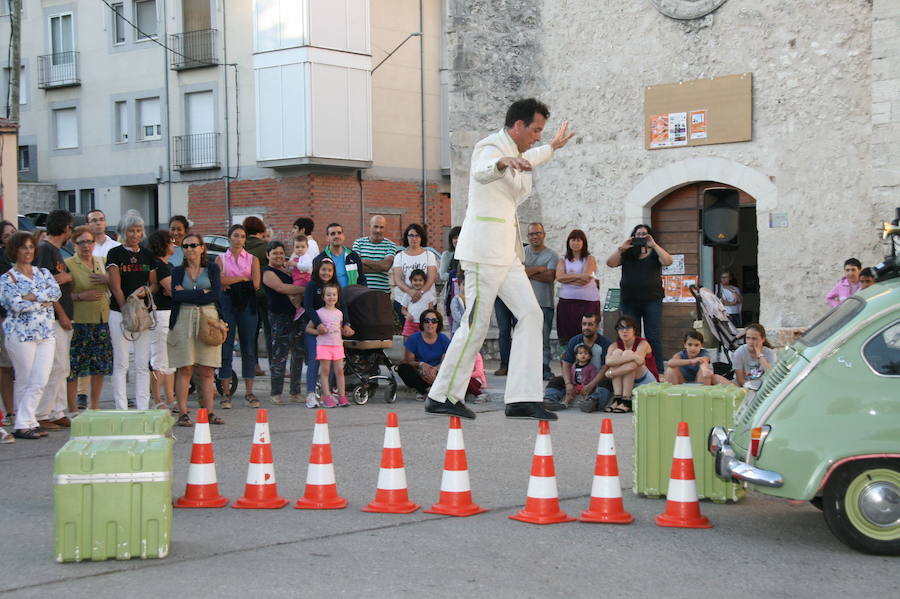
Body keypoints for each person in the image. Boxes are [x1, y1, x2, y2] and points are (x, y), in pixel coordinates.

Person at [425, 98, 573, 421]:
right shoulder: (490, 146)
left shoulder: (519, 153)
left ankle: (522, 398)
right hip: (481, 252)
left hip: (507, 255)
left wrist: (552, 147)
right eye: (535, 130)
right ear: (517, 126)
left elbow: (530, 158)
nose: (537, 136)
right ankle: (442, 394)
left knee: (532, 316)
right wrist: (503, 162)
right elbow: (480, 172)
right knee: (475, 325)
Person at [0, 232, 62, 439]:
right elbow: (15, 305)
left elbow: (55, 293)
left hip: (45, 332)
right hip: (20, 335)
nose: (28, 251)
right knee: (26, 379)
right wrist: (40, 299)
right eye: (23, 247)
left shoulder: (43, 273)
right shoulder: (7, 278)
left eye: (30, 247)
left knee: (41, 379)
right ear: (15, 250)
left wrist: (32, 296)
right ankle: (24, 423)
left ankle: (26, 420)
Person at [167, 234, 224, 427]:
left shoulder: (212, 268)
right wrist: (201, 293)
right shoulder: (177, 270)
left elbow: (216, 293)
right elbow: (176, 295)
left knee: (207, 369)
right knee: (185, 367)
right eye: (185, 246)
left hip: (208, 318)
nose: (189, 249)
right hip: (183, 317)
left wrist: (188, 294)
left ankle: (209, 412)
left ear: (201, 248)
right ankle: (183, 412)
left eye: (193, 245)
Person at [106, 211, 157, 410]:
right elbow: (115, 285)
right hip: (120, 312)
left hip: (142, 313)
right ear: (123, 232)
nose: (135, 234)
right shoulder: (115, 254)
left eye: (138, 230)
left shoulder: (147, 254)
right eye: (131, 230)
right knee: (121, 362)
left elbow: (153, 284)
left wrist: (146, 290)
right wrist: (125, 309)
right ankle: (121, 407)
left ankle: (143, 406)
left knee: (142, 362)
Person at [606, 223, 673, 374]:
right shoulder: (627, 253)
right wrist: (621, 248)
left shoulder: (656, 252)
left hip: (652, 300)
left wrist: (654, 245)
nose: (641, 237)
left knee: (653, 335)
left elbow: (668, 261)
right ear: (633, 236)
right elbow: (610, 263)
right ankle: (633, 368)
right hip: (630, 300)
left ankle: (657, 370)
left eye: (645, 234)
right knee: (630, 335)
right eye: (638, 234)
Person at [34, 210, 75, 429]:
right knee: (55, 365)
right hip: (55, 317)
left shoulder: (57, 251)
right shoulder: (45, 250)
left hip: (64, 315)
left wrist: (68, 277)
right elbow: (45, 287)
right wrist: (62, 314)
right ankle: (42, 413)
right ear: (66, 228)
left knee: (63, 366)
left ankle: (58, 410)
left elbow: (63, 280)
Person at [65, 226, 113, 411]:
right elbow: (58, 296)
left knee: (99, 366)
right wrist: (79, 296)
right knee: (75, 366)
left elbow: (116, 284)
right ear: (74, 244)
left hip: (101, 320)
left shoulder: (102, 261)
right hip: (79, 321)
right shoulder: (68, 264)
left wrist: (107, 279)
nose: (86, 246)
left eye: (89, 241)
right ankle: (73, 407)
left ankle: (94, 405)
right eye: (81, 242)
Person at [215, 224, 261, 409]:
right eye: (236, 235)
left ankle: (249, 392)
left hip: (247, 302)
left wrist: (231, 281)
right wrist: (242, 279)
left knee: (248, 346)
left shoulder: (252, 259)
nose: (239, 239)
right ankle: (226, 393)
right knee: (225, 346)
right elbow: (219, 281)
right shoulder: (221, 259)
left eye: (242, 236)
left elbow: (256, 283)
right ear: (229, 238)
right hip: (227, 302)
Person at [302, 258, 354, 407]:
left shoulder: (336, 286)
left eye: (330, 270)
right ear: (318, 270)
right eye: (323, 269)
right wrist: (318, 324)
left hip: (332, 336)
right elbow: (308, 306)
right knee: (314, 361)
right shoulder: (312, 285)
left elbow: (342, 306)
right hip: (315, 329)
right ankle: (311, 394)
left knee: (333, 366)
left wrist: (346, 324)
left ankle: (328, 395)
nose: (326, 273)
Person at [262, 241, 306, 405]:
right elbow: (281, 288)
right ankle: (276, 393)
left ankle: (295, 392)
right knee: (279, 355)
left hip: (296, 315)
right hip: (279, 317)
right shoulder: (267, 272)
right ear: (268, 255)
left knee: (298, 354)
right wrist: (306, 289)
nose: (279, 256)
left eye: (281, 253)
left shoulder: (288, 270)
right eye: (275, 253)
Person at [543, 313, 612, 413]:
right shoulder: (575, 341)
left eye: (590, 324)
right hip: (576, 379)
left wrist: (591, 385)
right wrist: (568, 384)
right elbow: (566, 363)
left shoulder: (605, 343)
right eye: (584, 324)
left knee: (606, 383)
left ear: (597, 326)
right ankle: (549, 400)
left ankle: (592, 402)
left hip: (595, 379)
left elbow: (605, 368)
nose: (586, 327)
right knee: (556, 380)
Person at [306, 282, 349, 408]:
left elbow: (339, 329)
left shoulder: (340, 313)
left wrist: (346, 330)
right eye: (328, 295)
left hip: (337, 346)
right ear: (323, 297)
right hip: (324, 346)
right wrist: (318, 330)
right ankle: (327, 396)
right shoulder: (319, 313)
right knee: (325, 371)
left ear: (337, 296)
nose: (331, 297)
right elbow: (308, 329)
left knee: (340, 371)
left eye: (334, 295)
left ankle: (342, 396)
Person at [604, 316, 658, 413]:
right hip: (626, 383)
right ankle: (618, 398)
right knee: (617, 353)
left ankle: (626, 400)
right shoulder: (614, 345)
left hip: (646, 382)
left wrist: (611, 373)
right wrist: (634, 356)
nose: (624, 331)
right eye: (621, 328)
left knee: (628, 353)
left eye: (628, 327)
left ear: (634, 330)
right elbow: (608, 362)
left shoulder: (642, 343)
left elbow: (633, 366)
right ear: (617, 330)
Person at [555, 228, 599, 347]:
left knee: (586, 334)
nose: (575, 243)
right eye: (573, 240)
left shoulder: (590, 259)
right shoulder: (563, 260)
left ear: (583, 242)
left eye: (579, 240)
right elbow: (559, 277)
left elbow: (586, 280)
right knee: (566, 336)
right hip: (567, 303)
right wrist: (579, 275)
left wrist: (567, 278)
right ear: (568, 242)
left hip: (587, 302)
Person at [397, 308, 452, 401]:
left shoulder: (443, 339)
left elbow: (445, 362)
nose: (430, 324)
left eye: (434, 321)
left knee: (451, 369)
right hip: (420, 372)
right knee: (403, 368)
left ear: (438, 324)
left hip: (437, 373)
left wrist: (434, 369)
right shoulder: (414, 338)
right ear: (422, 323)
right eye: (427, 321)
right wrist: (421, 365)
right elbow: (408, 361)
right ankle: (423, 390)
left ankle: (432, 389)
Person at [148, 230, 176, 410]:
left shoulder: (167, 265)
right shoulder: (160, 265)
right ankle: (158, 399)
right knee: (159, 357)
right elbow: (173, 289)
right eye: (170, 242)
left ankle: (170, 398)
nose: (173, 244)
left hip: (169, 313)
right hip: (161, 314)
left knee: (169, 359)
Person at [243, 216, 271, 376]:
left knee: (251, 332)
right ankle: (275, 364)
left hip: (247, 294)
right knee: (269, 330)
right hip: (265, 294)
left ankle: (254, 365)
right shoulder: (265, 247)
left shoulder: (242, 248)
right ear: (261, 230)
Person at [664, 331, 731, 386]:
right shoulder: (681, 354)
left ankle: (702, 395)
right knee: (670, 370)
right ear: (685, 345)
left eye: (696, 345)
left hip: (699, 382)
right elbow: (670, 363)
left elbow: (705, 362)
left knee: (706, 372)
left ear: (701, 345)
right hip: (683, 382)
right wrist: (691, 361)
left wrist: (705, 367)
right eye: (690, 345)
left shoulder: (704, 353)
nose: (693, 348)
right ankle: (672, 395)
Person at [353, 215, 398, 294]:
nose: (378, 230)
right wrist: (379, 267)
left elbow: (385, 266)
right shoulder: (358, 243)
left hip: (382, 293)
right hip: (361, 292)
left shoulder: (391, 245)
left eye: (381, 227)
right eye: (375, 226)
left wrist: (363, 261)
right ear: (369, 227)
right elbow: (356, 267)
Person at [313, 222, 368, 288]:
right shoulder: (319, 259)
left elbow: (362, 279)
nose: (336, 236)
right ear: (327, 238)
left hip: (351, 296)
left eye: (339, 233)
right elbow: (315, 283)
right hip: (330, 297)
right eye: (333, 234)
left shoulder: (353, 256)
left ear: (343, 236)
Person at [0, 221, 15, 425]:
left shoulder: (25, 259)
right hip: (4, 319)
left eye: (14, 233)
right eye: (6, 235)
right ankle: (10, 412)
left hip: (24, 323)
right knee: (5, 367)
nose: (12, 237)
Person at [732, 323, 777, 390]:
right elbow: (740, 380)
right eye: (748, 338)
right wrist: (750, 388)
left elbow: (771, 374)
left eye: (754, 339)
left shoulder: (770, 353)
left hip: (763, 387)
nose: (750, 342)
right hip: (744, 386)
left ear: (763, 339)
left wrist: (759, 355)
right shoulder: (739, 352)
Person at [400, 268, 436, 338]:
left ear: (424, 281)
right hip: (410, 323)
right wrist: (407, 314)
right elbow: (403, 310)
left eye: (420, 280)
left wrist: (429, 319)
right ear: (411, 280)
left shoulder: (428, 294)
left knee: (422, 342)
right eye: (415, 280)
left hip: (424, 324)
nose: (417, 282)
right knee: (407, 342)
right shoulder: (408, 294)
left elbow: (431, 310)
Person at [439, 226, 462, 331]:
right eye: (454, 237)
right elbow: (442, 274)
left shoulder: (469, 254)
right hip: (450, 295)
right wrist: (455, 276)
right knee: (453, 327)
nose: (457, 240)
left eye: (459, 237)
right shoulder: (447, 255)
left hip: (466, 294)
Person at [289, 234, 312, 319]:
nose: (300, 249)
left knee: (289, 291)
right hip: (297, 279)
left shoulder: (306, 257)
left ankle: (299, 308)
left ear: (307, 247)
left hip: (303, 279)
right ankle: (298, 307)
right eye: (297, 247)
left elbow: (306, 267)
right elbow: (292, 269)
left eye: (302, 247)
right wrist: (289, 265)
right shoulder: (297, 257)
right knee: (293, 295)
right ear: (294, 248)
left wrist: (295, 264)